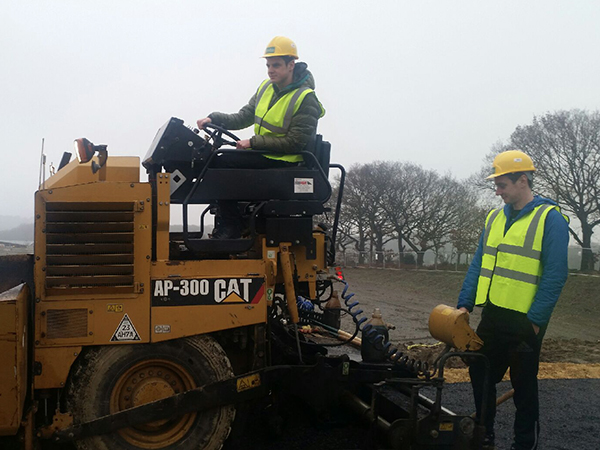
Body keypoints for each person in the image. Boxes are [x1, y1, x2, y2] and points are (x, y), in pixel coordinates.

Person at [457, 150, 569, 450]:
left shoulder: (551, 219)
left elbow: (556, 275)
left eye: (502, 184)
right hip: (492, 314)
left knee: (524, 389)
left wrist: (534, 323)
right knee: (480, 372)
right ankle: (485, 434)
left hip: (525, 321)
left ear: (523, 180)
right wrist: (464, 304)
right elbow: (479, 263)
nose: (497, 191)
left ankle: (524, 443)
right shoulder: (494, 218)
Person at [196, 36, 325, 239]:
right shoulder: (265, 88)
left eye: (276, 65)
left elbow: (295, 143)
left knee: (223, 163)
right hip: (265, 155)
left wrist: (253, 143)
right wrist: (214, 118)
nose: (270, 70)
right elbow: (243, 116)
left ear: (291, 65)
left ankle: (231, 228)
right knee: (215, 160)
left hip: (285, 162)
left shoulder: (305, 98)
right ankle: (233, 222)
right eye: (268, 65)